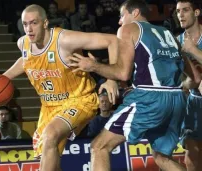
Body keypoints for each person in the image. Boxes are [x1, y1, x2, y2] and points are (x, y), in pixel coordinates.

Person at [68, 0, 200, 170]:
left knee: (99, 147)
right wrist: (170, 89)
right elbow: (195, 78)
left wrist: (92, 66)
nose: (119, 21)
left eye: (122, 15)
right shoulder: (168, 33)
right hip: (176, 100)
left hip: (150, 98)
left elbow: (123, 73)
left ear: (135, 13)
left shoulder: (129, 29)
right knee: (161, 157)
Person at [0, 4, 118, 171]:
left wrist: (111, 78)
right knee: (49, 158)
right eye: (25, 24)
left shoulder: (65, 40)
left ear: (45, 23)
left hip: (79, 100)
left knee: (50, 135)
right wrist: (3, 78)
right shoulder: (23, 43)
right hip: (49, 107)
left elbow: (112, 40)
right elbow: (27, 60)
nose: (29, 29)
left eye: (33, 23)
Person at [176, 0, 202, 170]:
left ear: (196, 12)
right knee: (191, 155)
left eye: (185, 10)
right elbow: (179, 80)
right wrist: (189, 83)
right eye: (178, 11)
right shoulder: (175, 43)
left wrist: (193, 50)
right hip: (194, 102)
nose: (181, 15)